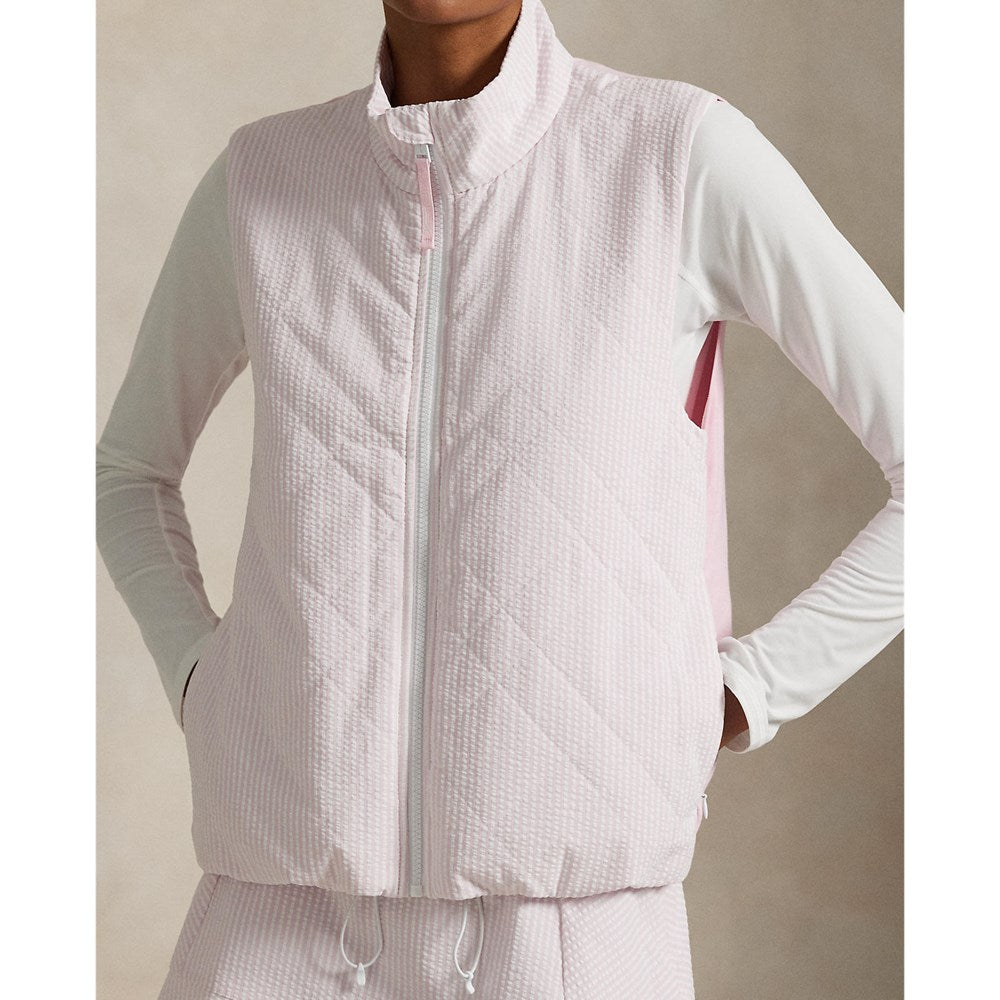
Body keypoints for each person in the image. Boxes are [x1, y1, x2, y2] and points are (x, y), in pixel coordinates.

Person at [95, 0, 903, 997]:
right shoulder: (264, 179)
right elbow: (129, 471)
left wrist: (743, 692)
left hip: (568, 941)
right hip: (274, 924)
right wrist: (202, 680)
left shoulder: (672, 155)